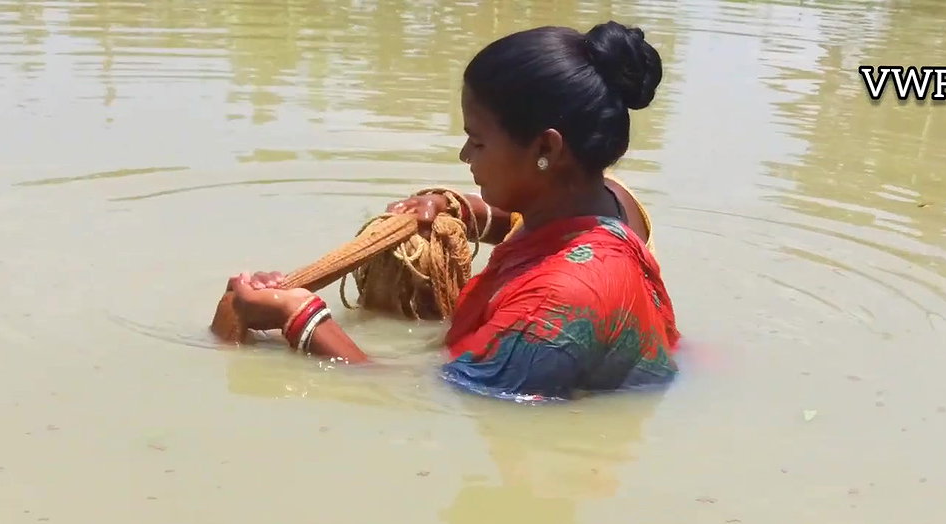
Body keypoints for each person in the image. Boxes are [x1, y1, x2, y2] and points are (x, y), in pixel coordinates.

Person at [226, 20, 681, 401]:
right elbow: (530, 224)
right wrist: (457, 208)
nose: (466, 156)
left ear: (546, 147)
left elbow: (435, 402)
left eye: (478, 141)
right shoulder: (610, 201)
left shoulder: (559, 301)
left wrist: (299, 318)